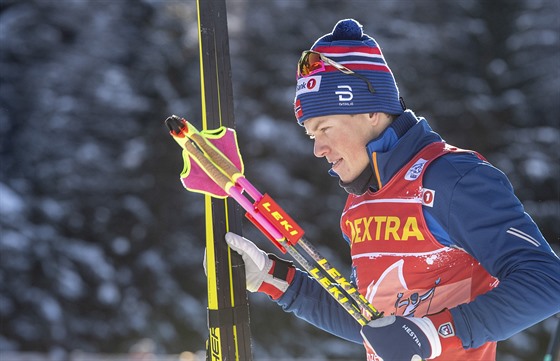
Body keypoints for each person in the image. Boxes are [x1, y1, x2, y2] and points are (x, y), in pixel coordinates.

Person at [224, 19, 560, 360]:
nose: (318, 149)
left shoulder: (450, 178)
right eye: (312, 135)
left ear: (371, 111)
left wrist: (432, 333)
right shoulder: (360, 201)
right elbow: (372, 323)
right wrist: (272, 278)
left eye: (325, 128)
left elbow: (546, 281)